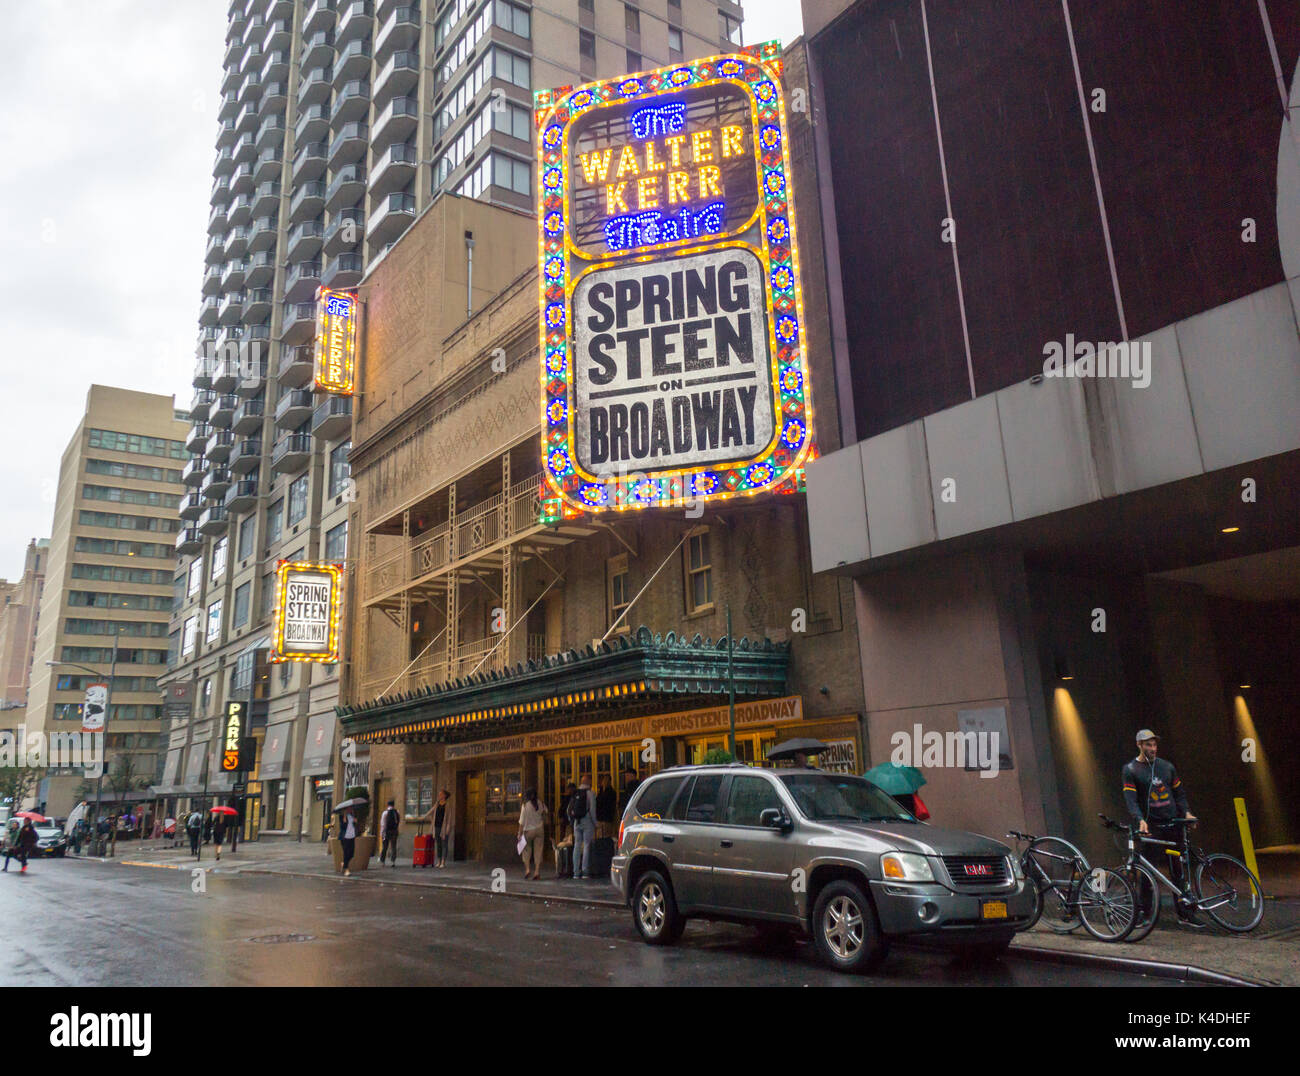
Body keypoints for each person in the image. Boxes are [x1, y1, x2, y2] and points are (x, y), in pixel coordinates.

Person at [1123, 729, 1197, 907]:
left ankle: (1184, 912)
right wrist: (1140, 819)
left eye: (1155, 744)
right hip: (1152, 827)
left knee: (1177, 869)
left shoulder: (1167, 767)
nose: (1153, 748)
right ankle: (1145, 912)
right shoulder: (1130, 770)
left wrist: (1186, 812)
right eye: (1148, 744)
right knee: (1148, 870)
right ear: (1139, 745)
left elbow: (1179, 794)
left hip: (1173, 824)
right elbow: (1131, 799)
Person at [567, 775, 597, 879]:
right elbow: (592, 810)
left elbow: (568, 809)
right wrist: (595, 823)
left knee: (577, 845)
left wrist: (571, 821)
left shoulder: (575, 793)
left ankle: (575, 872)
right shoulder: (590, 793)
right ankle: (585, 871)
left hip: (577, 822)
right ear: (589, 782)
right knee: (587, 845)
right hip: (587, 820)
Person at [517, 788, 547, 880]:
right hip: (539, 830)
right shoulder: (540, 803)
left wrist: (519, 833)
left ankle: (527, 869)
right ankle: (537, 871)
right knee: (538, 851)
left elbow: (521, 822)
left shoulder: (525, 805)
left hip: (528, 831)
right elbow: (546, 812)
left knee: (526, 851)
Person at [425, 790, 452, 868]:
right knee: (438, 844)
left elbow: (449, 817)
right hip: (436, 826)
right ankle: (439, 860)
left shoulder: (448, 805)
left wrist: (448, 827)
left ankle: (443, 861)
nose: (439, 795)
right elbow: (431, 811)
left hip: (444, 827)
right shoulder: (437, 804)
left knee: (444, 844)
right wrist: (425, 816)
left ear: (444, 796)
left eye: (440, 794)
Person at [379, 800, 400, 867]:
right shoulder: (397, 812)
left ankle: (382, 861)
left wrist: (382, 833)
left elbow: (383, 824)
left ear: (388, 805)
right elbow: (398, 822)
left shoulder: (385, 813)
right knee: (393, 846)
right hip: (394, 831)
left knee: (385, 847)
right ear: (393, 805)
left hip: (387, 831)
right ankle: (393, 861)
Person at [595, 773, 616, 839]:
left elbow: (608, 804)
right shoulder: (600, 791)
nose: (604, 782)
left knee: (606, 836)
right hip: (600, 817)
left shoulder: (611, 792)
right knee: (600, 835)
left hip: (606, 818)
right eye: (603, 780)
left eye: (606, 780)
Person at [338, 806, 359, 876]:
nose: (350, 810)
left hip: (352, 836)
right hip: (345, 837)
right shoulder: (341, 816)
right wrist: (344, 818)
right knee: (346, 853)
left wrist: (355, 821)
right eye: (349, 808)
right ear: (345, 809)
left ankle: (343, 863)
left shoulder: (352, 816)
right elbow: (342, 826)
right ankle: (346, 869)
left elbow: (355, 825)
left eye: (351, 808)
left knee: (351, 853)